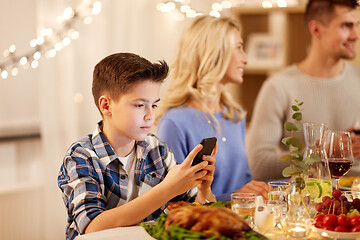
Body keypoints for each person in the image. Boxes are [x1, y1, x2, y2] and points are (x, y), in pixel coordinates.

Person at [57, 53, 216, 240]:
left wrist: (204, 190)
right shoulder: (81, 156)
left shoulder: (157, 150)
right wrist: (167, 189)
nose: (150, 115)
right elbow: (92, 227)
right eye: (140, 105)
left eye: (154, 106)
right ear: (106, 105)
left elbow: (199, 214)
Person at [156, 15, 268, 200]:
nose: (245, 58)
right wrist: (234, 197)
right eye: (239, 48)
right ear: (215, 53)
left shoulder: (234, 115)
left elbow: (244, 181)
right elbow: (172, 201)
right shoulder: (174, 123)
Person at [247, 0, 360, 181]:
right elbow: (259, 165)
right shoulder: (278, 86)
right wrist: (319, 152)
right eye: (346, 26)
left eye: (356, 25)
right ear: (316, 29)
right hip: (307, 202)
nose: (355, 35)